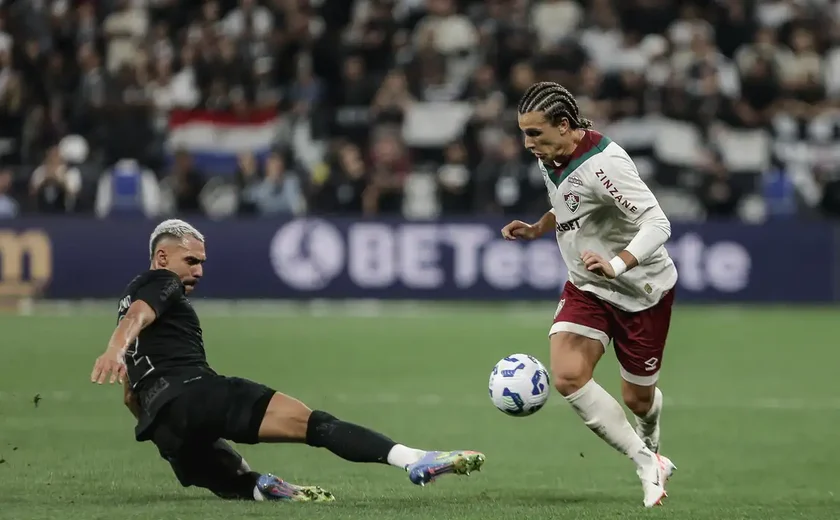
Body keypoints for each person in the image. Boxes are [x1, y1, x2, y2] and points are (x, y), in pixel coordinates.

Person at [90, 219, 485, 502]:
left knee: (236, 480)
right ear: (162, 257)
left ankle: (266, 489)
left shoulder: (131, 295)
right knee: (317, 425)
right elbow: (136, 317)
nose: (199, 271)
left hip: (161, 423)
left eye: (203, 262)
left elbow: (130, 396)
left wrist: (163, 430)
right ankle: (413, 459)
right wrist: (114, 347)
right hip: (197, 394)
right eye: (191, 261)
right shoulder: (161, 283)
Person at [501, 82, 678, 508]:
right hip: (587, 286)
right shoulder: (554, 154)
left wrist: (617, 265)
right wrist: (539, 228)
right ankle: (644, 459)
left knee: (639, 399)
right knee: (566, 375)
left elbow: (659, 224)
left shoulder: (607, 165)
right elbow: (568, 204)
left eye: (535, 134)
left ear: (565, 125)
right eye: (523, 134)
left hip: (641, 291)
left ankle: (650, 440)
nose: (528, 144)